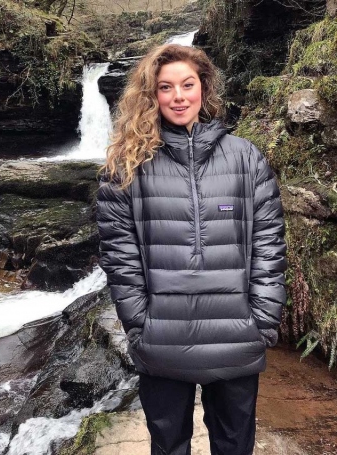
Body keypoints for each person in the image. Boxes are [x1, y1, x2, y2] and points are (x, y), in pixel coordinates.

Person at [96, 43, 287, 455]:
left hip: (237, 336)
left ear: (204, 88)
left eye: (187, 84)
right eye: (166, 87)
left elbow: (269, 246)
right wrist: (139, 325)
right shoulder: (127, 166)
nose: (178, 96)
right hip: (160, 338)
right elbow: (119, 255)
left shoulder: (246, 159)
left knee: (235, 446)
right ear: (151, 95)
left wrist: (263, 321)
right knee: (168, 447)